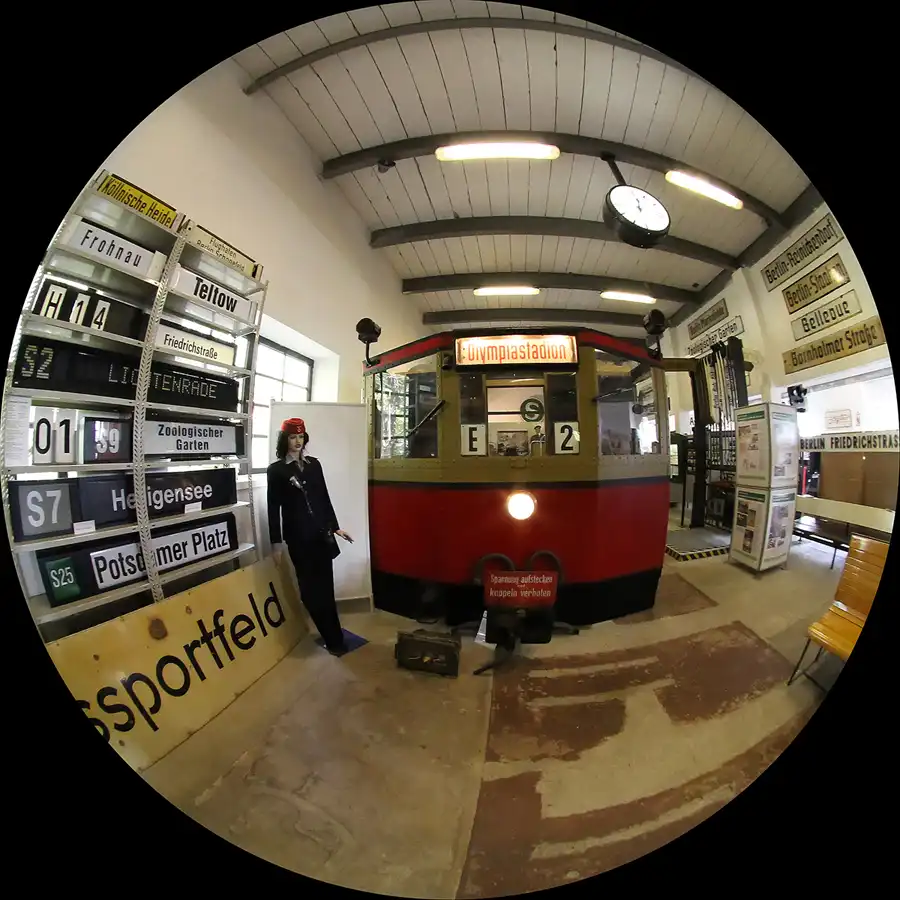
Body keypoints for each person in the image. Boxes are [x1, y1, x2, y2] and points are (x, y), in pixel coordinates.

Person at [267, 417, 353, 656]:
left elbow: (324, 497)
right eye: (292, 437)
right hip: (298, 539)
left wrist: (335, 527)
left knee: (326, 588)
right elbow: (273, 508)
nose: (297, 442)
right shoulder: (277, 470)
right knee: (309, 591)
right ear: (285, 440)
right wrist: (276, 543)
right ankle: (330, 635)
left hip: (321, 536)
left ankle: (334, 638)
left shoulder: (314, 465)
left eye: (300, 437)